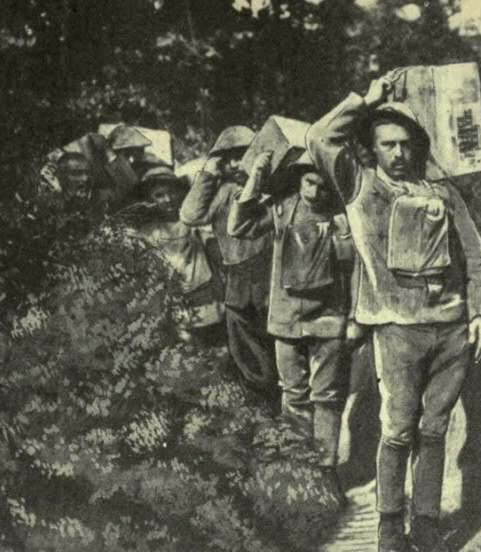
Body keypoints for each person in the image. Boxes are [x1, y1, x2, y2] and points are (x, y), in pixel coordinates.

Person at [306, 75, 481, 552]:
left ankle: (426, 528)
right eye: (387, 144)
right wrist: (365, 100)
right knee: (397, 431)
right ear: (371, 149)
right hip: (396, 330)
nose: (398, 153)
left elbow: (475, 256)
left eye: (406, 144)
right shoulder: (359, 185)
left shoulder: (443, 193)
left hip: (451, 330)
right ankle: (390, 531)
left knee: (435, 431)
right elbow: (319, 138)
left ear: (418, 146)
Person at [228, 151, 355, 505]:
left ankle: (326, 475)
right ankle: (301, 474)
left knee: (327, 399)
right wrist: (256, 177)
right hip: (286, 319)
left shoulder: (342, 214)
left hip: (328, 318)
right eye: (309, 183)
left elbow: (353, 267)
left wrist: (353, 317)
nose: (314, 192)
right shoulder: (281, 208)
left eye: (323, 186)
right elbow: (238, 227)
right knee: (294, 397)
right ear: (299, 179)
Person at [179, 126, 279, 406]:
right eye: (229, 158)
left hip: (271, 277)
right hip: (237, 280)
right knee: (247, 355)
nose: (236, 164)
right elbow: (190, 215)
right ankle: (261, 410)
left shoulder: (270, 190)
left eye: (242, 155)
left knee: (278, 351)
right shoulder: (224, 193)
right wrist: (209, 172)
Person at [134, 167, 225, 346]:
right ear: (149, 200)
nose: (168, 199)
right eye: (159, 195)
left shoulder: (192, 222)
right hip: (176, 305)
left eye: (171, 193)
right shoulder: (147, 233)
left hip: (206, 298)